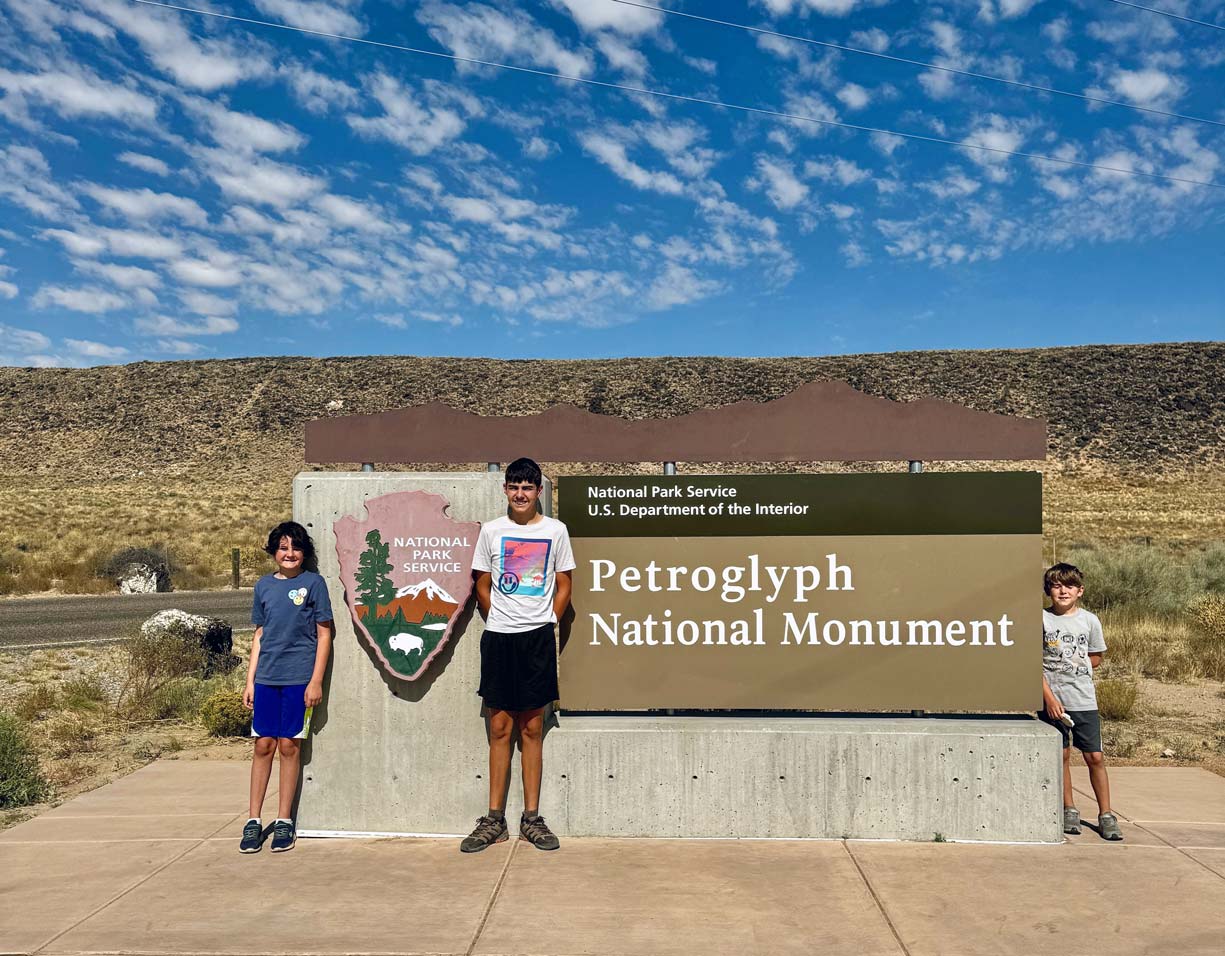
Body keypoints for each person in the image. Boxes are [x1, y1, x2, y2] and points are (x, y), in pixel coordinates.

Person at [461, 457, 575, 853]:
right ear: (505, 490)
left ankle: (532, 818)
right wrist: (501, 619)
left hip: (537, 641)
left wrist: (547, 622)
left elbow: (564, 585)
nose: (521, 493)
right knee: (499, 729)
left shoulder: (555, 531)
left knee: (532, 729)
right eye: (514, 486)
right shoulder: (492, 532)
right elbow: (482, 585)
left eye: (528, 487)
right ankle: (494, 819)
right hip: (499, 640)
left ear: (539, 492)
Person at [239, 521, 333, 853]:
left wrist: (316, 681)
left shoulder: (314, 584)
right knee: (263, 745)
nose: (288, 553)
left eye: (294, 548)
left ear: (304, 553)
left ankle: (284, 821)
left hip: (298, 681)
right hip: (266, 679)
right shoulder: (263, 586)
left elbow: (325, 634)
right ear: (273, 552)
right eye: (282, 547)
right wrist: (250, 681)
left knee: (289, 747)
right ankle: (253, 821)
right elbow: (260, 635)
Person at [1039, 562, 1122, 841]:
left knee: (1094, 756)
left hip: (1084, 699)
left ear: (1080, 591)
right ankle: (1068, 809)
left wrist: (1077, 668)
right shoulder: (1041, 619)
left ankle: (1106, 814)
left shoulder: (1089, 620)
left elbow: (1096, 656)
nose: (1063, 591)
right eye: (1056, 585)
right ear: (1048, 589)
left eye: (1069, 586)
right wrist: (1049, 698)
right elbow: (1032, 665)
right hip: (1053, 701)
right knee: (1061, 755)